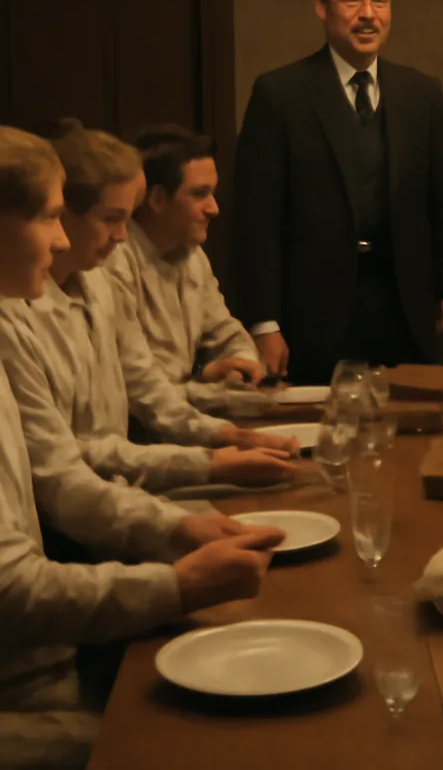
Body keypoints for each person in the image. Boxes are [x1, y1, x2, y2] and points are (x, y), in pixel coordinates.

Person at [0, 125, 283, 768]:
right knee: (199, 743)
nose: (62, 239)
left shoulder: (87, 286)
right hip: (26, 672)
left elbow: (134, 401)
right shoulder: (13, 320)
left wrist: (190, 512)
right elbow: (23, 567)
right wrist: (175, 581)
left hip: (45, 645)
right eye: (49, 217)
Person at [0, 123, 296, 497]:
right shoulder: (17, 313)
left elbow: (148, 384)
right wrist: (208, 462)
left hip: (126, 487)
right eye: (112, 218)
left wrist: (230, 434)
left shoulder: (98, 283)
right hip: (111, 492)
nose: (123, 235)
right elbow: (64, 463)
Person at [235, 0, 443, 383]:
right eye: (352, 1)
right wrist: (264, 323)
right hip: (313, 315)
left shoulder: (422, 94)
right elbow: (256, 220)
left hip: (408, 311)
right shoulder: (280, 95)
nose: (368, 14)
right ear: (322, 8)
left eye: (379, 1)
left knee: (415, 422)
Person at [105, 125, 264, 411]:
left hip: (187, 415)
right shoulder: (114, 260)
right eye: (200, 194)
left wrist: (238, 367)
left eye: (213, 193)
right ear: (156, 199)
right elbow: (139, 390)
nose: (214, 208)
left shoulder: (193, 255)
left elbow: (227, 332)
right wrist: (209, 385)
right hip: (136, 428)